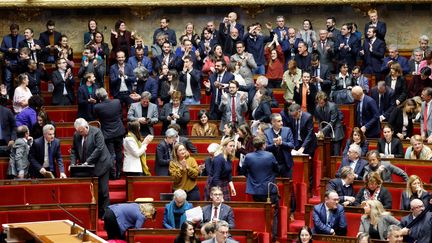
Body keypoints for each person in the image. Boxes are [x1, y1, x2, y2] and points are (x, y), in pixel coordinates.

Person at [70, 118, 112, 218]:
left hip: (101, 164)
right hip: (87, 167)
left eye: (82, 131)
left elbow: (99, 149)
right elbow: (74, 150)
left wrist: (87, 162)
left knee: (103, 191)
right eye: (79, 131)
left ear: (86, 127)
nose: (81, 133)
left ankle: (105, 214)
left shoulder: (96, 132)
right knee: (90, 191)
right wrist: (72, 164)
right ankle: (94, 213)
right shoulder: (77, 135)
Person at [243, 134, 279, 241]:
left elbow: (243, 171)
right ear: (263, 145)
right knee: (273, 213)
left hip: (255, 191)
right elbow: (277, 169)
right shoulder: (270, 155)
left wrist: (253, 179)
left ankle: (260, 237)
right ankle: (272, 237)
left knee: (259, 214)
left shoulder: (248, 156)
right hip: (269, 190)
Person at [94, 88, 126, 180]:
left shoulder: (97, 107)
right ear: (107, 94)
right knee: (119, 152)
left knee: (111, 154)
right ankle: (119, 172)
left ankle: (113, 174)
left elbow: (96, 116)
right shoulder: (117, 102)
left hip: (107, 133)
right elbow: (120, 114)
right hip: (119, 131)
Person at [264, 113, 295, 178]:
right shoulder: (267, 132)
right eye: (279, 121)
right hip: (272, 164)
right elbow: (265, 147)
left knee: (288, 184)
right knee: (273, 185)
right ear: (273, 122)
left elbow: (292, 145)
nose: (282, 123)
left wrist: (281, 143)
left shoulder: (287, 130)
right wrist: (275, 145)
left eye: (281, 120)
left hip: (286, 164)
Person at [315, 91, 345, 156]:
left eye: (322, 103)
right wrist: (320, 131)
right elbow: (320, 121)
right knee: (328, 154)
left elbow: (332, 122)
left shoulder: (332, 106)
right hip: (327, 132)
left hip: (336, 131)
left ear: (325, 101)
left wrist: (322, 131)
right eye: (319, 103)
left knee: (335, 155)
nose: (320, 104)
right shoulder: (317, 108)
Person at [1, 24, 25, 98]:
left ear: (18, 30)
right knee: (7, 79)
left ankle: (19, 96)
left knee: (20, 79)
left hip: (19, 61)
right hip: (9, 61)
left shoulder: (22, 38)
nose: (14, 33)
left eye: (16, 32)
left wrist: (18, 51)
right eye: (13, 32)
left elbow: (25, 48)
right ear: (10, 31)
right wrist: (8, 50)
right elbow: (1, 48)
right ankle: (7, 96)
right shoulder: (5, 38)